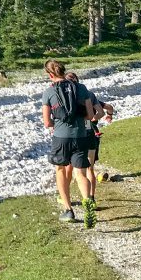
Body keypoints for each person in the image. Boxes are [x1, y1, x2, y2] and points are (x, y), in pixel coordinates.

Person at [41, 60, 96, 227]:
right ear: (64, 71)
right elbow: (91, 114)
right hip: (80, 136)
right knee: (80, 173)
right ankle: (88, 202)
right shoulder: (81, 88)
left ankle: (68, 210)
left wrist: (56, 123)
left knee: (60, 170)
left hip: (60, 137)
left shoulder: (49, 92)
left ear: (50, 74)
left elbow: (47, 122)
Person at [77, 76, 114, 201]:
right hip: (92, 134)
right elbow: (108, 107)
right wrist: (108, 117)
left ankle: (83, 197)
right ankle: (92, 197)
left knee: (76, 169)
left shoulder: (69, 97)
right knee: (90, 168)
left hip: (77, 135)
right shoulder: (90, 96)